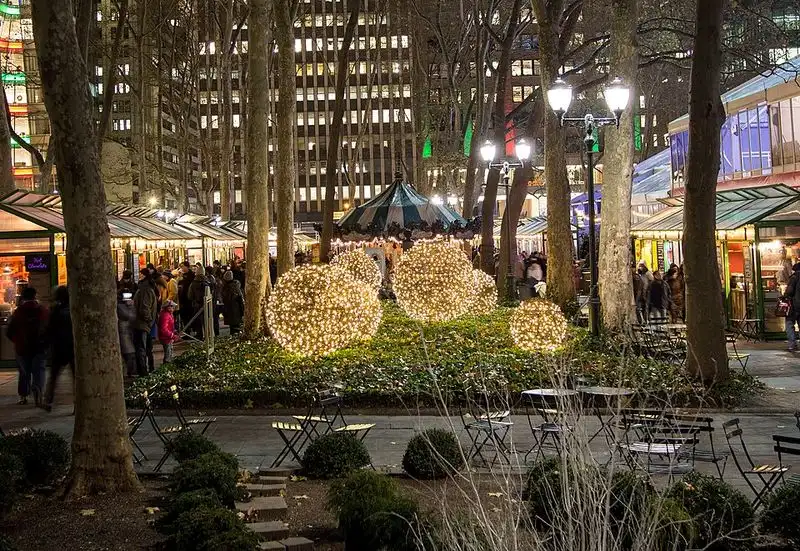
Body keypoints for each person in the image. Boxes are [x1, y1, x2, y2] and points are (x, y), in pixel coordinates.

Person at [7, 287, 49, 406]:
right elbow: (49, 328)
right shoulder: (43, 310)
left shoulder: (18, 312)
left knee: (24, 373)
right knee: (39, 371)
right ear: (35, 296)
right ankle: (38, 392)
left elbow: (9, 331)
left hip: (22, 348)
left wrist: (17, 341)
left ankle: (23, 396)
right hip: (39, 348)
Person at [44, 286, 74, 411]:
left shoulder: (55, 311)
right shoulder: (74, 310)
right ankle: (77, 404)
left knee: (53, 377)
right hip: (72, 347)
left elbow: (49, 330)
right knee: (76, 377)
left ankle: (49, 401)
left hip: (58, 347)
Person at [133, 268, 158, 376]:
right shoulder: (147, 289)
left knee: (143, 348)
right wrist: (149, 320)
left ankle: (144, 370)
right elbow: (145, 308)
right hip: (144, 323)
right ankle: (145, 369)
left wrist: (148, 320)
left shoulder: (144, 289)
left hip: (143, 323)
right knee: (144, 348)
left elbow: (145, 307)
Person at [117, 291, 136, 377]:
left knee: (129, 354)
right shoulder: (121, 308)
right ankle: (129, 371)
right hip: (124, 333)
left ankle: (128, 371)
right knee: (129, 354)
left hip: (127, 332)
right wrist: (131, 307)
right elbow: (129, 316)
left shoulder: (120, 306)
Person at [782, 263, 800, 352]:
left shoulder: (794, 277)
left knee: (789, 324)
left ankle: (792, 345)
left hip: (794, 305)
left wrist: (784, 296)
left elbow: (789, 291)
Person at [188, 263, 209, 338]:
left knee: (198, 320)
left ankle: (199, 334)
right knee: (207, 320)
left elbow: (190, 295)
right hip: (207, 304)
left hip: (196, 304)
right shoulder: (208, 282)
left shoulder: (194, 283)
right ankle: (208, 335)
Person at [221, 270, 245, 335]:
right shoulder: (236, 287)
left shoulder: (227, 288)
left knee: (234, 327)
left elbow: (226, 299)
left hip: (232, 310)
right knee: (235, 327)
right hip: (235, 310)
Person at [178, 261, 195, 335]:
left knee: (188, 315)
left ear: (187, 266)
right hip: (182, 299)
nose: (181, 268)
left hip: (188, 299)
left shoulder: (191, 276)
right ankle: (186, 332)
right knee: (184, 316)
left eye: (183, 266)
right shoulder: (182, 275)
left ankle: (189, 331)